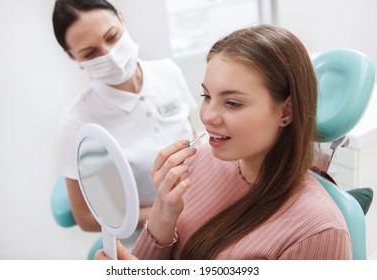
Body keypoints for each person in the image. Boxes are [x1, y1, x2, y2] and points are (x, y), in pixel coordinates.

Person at [95, 24, 352, 260]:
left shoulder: (319, 232)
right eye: (206, 96)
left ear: (286, 112)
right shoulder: (197, 161)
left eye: (232, 103)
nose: (207, 116)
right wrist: (163, 211)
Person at [52, 0, 197, 232]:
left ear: (121, 18)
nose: (110, 56)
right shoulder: (77, 120)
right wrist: (166, 212)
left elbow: (193, 140)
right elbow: (87, 218)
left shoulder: (168, 72)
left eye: (112, 36)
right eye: (90, 53)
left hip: (202, 205)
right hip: (146, 233)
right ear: (73, 57)